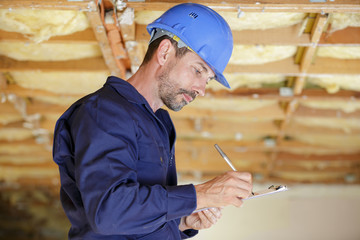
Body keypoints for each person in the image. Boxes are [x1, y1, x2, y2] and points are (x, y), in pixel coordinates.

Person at [53, 3, 253, 239]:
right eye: (199, 71)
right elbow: (110, 213)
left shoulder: (159, 124)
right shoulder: (104, 111)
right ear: (165, 52)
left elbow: (135, 218)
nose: (201, 89)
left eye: (207, 80)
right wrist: (202, 194)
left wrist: (180, 221)